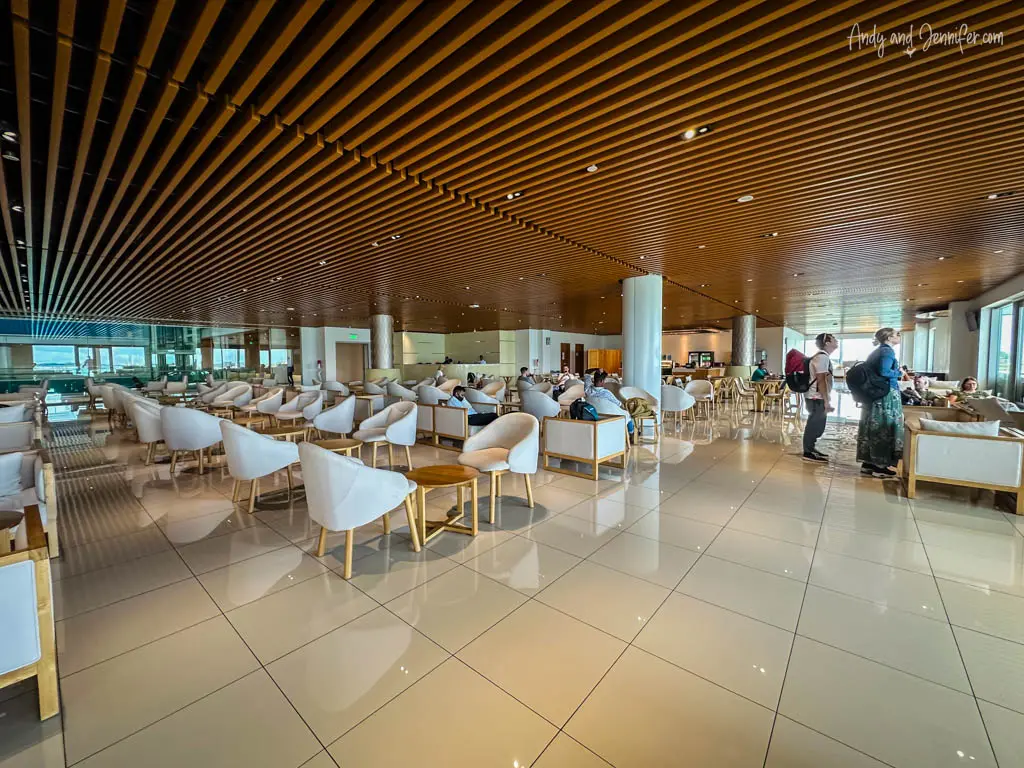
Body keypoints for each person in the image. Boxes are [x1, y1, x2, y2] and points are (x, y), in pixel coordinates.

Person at [856, 328, 904, 478]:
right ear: (888, 337)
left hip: (876, 395)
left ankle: (868, 463)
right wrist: (899, 373)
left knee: (872, 426)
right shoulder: (887, 352)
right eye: (897, 334)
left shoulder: (877, 351)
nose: (899, 336)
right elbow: (884, 372)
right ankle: (879, 465)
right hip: (885, 395)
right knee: (883, 427)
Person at [802, 333, 838, 462]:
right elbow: (821, 380)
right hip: (816, 397)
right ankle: (808, 451)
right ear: (827, 343)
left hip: (815, 396)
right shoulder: (822, 358)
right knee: (814, 425)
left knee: (816, 424)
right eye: (834, 340)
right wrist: (827, 401)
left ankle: (811, 448)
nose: (837, 341)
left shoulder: (821, 357)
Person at [586, 370, 635, 442]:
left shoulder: (587, 390)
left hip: (595, 414)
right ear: (602, 381)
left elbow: (586, 375)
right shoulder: (606, 393)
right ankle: (631, 434)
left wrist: (596, 369)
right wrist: (624, 407)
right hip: (609, 416)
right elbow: (619, 403)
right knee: (627, 414)